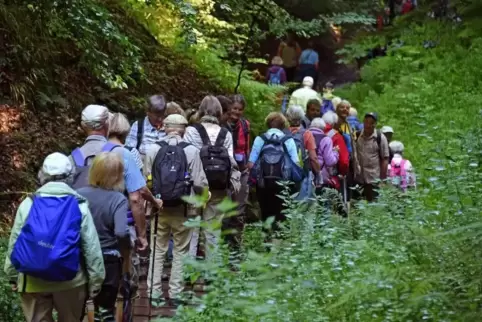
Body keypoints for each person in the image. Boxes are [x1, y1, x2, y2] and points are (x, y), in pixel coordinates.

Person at [4, 152, 105, 322]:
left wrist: (12, 275)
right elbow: (91, 247)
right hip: (71, 281)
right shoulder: (79, 206)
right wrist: (96, 281)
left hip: (33, 280)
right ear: (71, 176)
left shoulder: (28, 204)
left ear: (42, 175)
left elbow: (15, 241)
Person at [144, 114, 209, 306]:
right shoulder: (191, 151)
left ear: (165, 128)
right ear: (183, 130)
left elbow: (146, 180)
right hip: (183, 208)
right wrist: (203, 200)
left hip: (159, 207)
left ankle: (154, 293)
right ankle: (175, 293)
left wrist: (153, 202)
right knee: (181, 250)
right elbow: (199, 182)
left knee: (157, 248)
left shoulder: (153, 149)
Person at [71, 104, 152, 252]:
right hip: (115, 235)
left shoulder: (72, 158)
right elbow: (135, 198)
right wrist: (142, 235)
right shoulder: (122, 154)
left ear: (83, 126)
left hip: (80, 235)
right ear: (107, 124)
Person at [184, 96, 241, 257]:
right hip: (218, 187)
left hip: (195, 187)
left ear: (201, 111)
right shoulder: (226, 134)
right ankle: (211, 274)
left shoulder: (191, 131)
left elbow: (187, 159)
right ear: (219, 112)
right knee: (213, 231)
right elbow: (231, 162)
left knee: (192, 230)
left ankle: (189, 272)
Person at [78, 153, 129, 322]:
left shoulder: (77, 195)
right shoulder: (118, 199)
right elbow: (121, 232)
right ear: (116, 175)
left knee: (80, 306)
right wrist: (128, 247)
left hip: (80, 258)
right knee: (106, 310)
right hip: (108, 259)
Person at [248, 112, 300, 227]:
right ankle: (280, 238)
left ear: (268, 124)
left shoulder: (260, 139)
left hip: (263, 183)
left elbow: (251, 164)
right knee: (281, 212)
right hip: (283, 183)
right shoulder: (288, 140)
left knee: (266, 212)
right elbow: (295, 164)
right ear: (283, 125)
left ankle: (267, 238)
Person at [224, 95, 250, 249]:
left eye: (240, 109)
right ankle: (223, 243)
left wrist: (247, 164)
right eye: (234, 108)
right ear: (229, 108)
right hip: (225, 173)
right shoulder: (222, 125)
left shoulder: (245, 125)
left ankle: (235, 244)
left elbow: (247, 146)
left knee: (239, 209)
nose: (237, 112)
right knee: (225, 208)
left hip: (241, 171)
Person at [354, 112, 390, 202]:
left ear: (375, 124)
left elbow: (385, 158)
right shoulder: (357, 135)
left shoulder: (380, 138)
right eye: (366, 122)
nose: (368, 125)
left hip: (373, 179)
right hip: (359, 178)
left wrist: (382, 179)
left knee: (374, 204)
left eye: (371, 123)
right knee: (359, 205)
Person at [125, 95, 167, 160]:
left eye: (162, 115)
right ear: (148, 112)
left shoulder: (168, 126)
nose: (160, 119)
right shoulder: (138, 126)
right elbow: (129, 150)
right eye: (157, 116)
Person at [286, 105, 320, 175]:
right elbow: (313, 158)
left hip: (286, 171)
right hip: (302, 172)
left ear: (288, 117)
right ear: (302, 117)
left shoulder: (283, 133)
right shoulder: (307, 134)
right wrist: (318, 173)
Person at [308, 118, 339, 191]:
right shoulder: (326, 139)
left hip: (306, 174)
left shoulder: (304, 137)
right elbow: (330, 161)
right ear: (323, 128)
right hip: (321, 177)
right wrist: (335, 152)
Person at [322, 111, 349, 190]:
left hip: (316, 177)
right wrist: (342, 173)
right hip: (332, 178)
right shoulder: (336, 136)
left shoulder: (315, 133)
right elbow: (344, 161)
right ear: (334, 123)